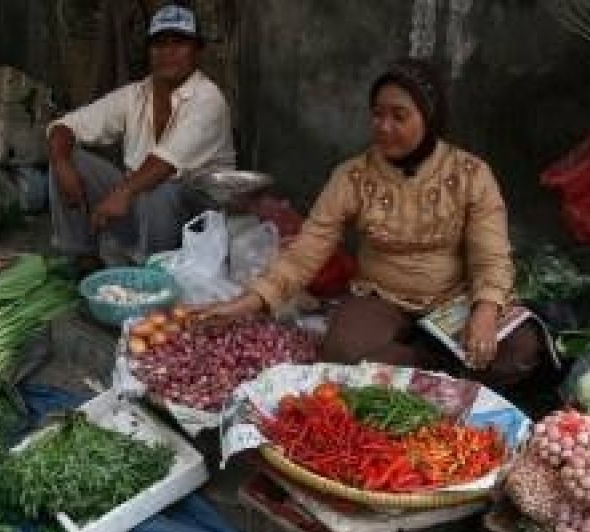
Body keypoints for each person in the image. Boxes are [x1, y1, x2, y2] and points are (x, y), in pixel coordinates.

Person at [202, 59, 545, 389]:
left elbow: (492, 255)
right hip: (381, 296)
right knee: (342, 355)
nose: (384, 127)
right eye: (378, 114)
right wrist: (250, 301)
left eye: (399, 116)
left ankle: (409, 366)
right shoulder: (353, 176)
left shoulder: (472, 174)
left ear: (429, 119)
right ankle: (435, 363)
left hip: (454, 298)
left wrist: (485, 310)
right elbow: (308, 248)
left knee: (520, 351)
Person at [47, 3, 235, 270]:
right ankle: (84, 259)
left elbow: (165, 164)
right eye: (159, 44)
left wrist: (123, 191)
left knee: (160, 189)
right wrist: (63, 163)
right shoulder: (135, 95)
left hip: (197, 220)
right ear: (149, 51)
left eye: (179, 43)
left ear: (198, 51)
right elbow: (64, 127)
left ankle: (153, 275)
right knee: (65, 156)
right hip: (139, 205)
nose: (168, 52)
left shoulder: (208, 98)